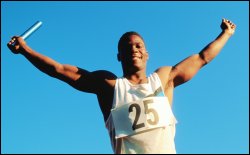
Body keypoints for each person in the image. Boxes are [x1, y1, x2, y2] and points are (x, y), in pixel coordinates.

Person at [7, 18, 236, 154]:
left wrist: (226, 33)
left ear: (147, 54)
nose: (134, 49)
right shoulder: (109, 85)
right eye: (127, 47)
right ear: (119, 56)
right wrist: (25, 50)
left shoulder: (164, 78)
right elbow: (60, 70)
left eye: (138, 46)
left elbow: (202, 58)